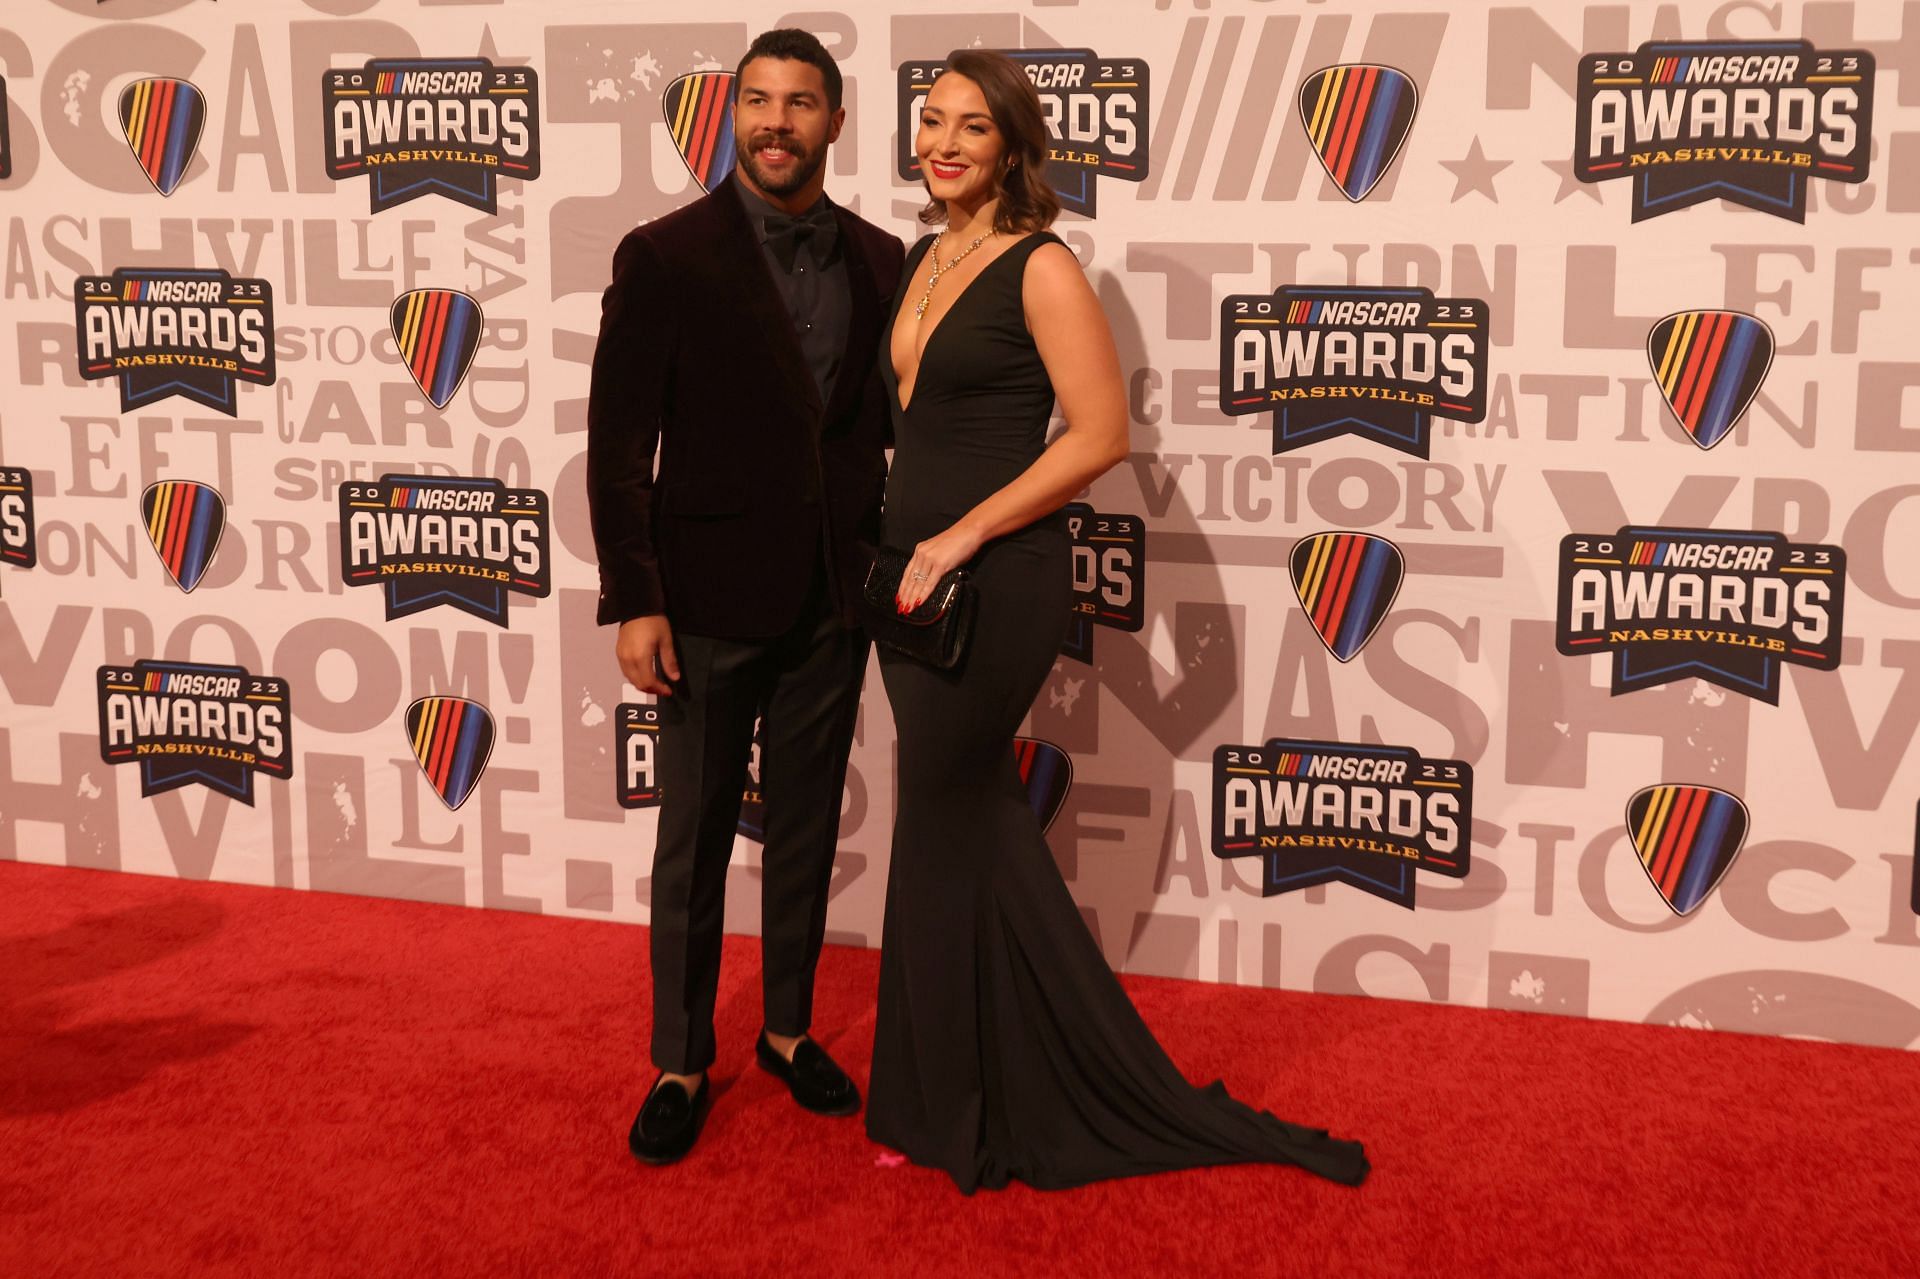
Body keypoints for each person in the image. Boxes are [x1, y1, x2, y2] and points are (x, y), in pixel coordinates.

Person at [867, 50, 1369, 1192]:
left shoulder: (1043, 267)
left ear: (1013, 146)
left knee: (951, 817)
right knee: (958, 823)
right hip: (908, 584)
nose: (945, 142)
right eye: (932, 121)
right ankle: (973, 1085)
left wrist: (959, 537)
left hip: (991, 581)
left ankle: (996, 1097)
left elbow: (1098, 438)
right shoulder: (920, 258)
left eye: (973, 127)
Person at [587, 28, 905, 1165]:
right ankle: (681, 1056)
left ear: (836, 119)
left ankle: (786, 1028)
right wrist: (637, 595)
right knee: (695, 840)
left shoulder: (882, 260)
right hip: (707, 600)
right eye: (758, 101)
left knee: (809, 832)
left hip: (834, 602)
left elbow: (886, 430)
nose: (778, 122)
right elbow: (619, 443)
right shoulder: (665, 255)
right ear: (731, 115)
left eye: (802, 103)